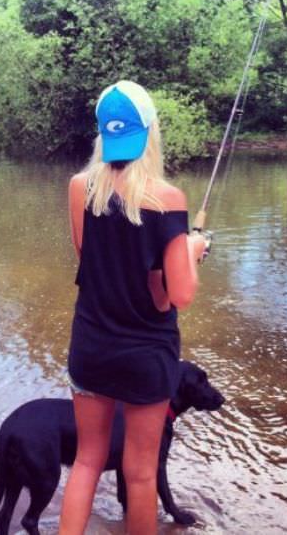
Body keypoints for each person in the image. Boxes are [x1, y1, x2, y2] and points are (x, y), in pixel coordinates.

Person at [59, 81, 207, 535]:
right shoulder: (169, 199)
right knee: (140, 473)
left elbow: (95, 262)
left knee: (86, 461)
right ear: (151, 133)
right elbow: (177, 295)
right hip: (146, 355)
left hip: (91, 345)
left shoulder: (79, 187)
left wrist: (172, 254)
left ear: (103, 135)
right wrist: (192, 250)